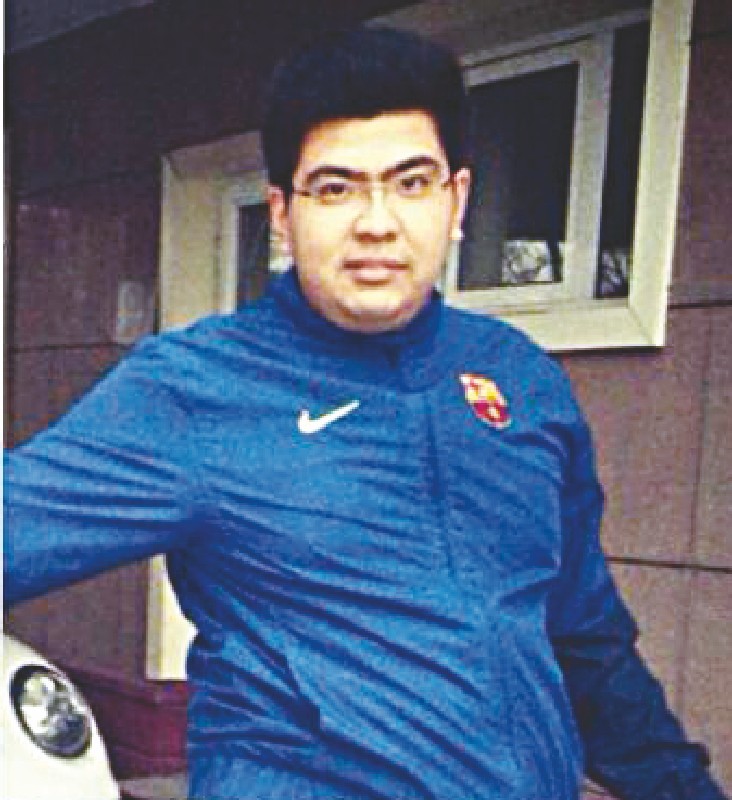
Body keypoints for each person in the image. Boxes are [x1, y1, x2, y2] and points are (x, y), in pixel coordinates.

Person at [4, 25, 727, 800]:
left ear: (457, 200)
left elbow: (586, 639)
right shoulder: (195, 389)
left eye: (411, 182)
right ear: (282, 214)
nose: (377, 221)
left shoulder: (520, 380)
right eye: (335, 187)